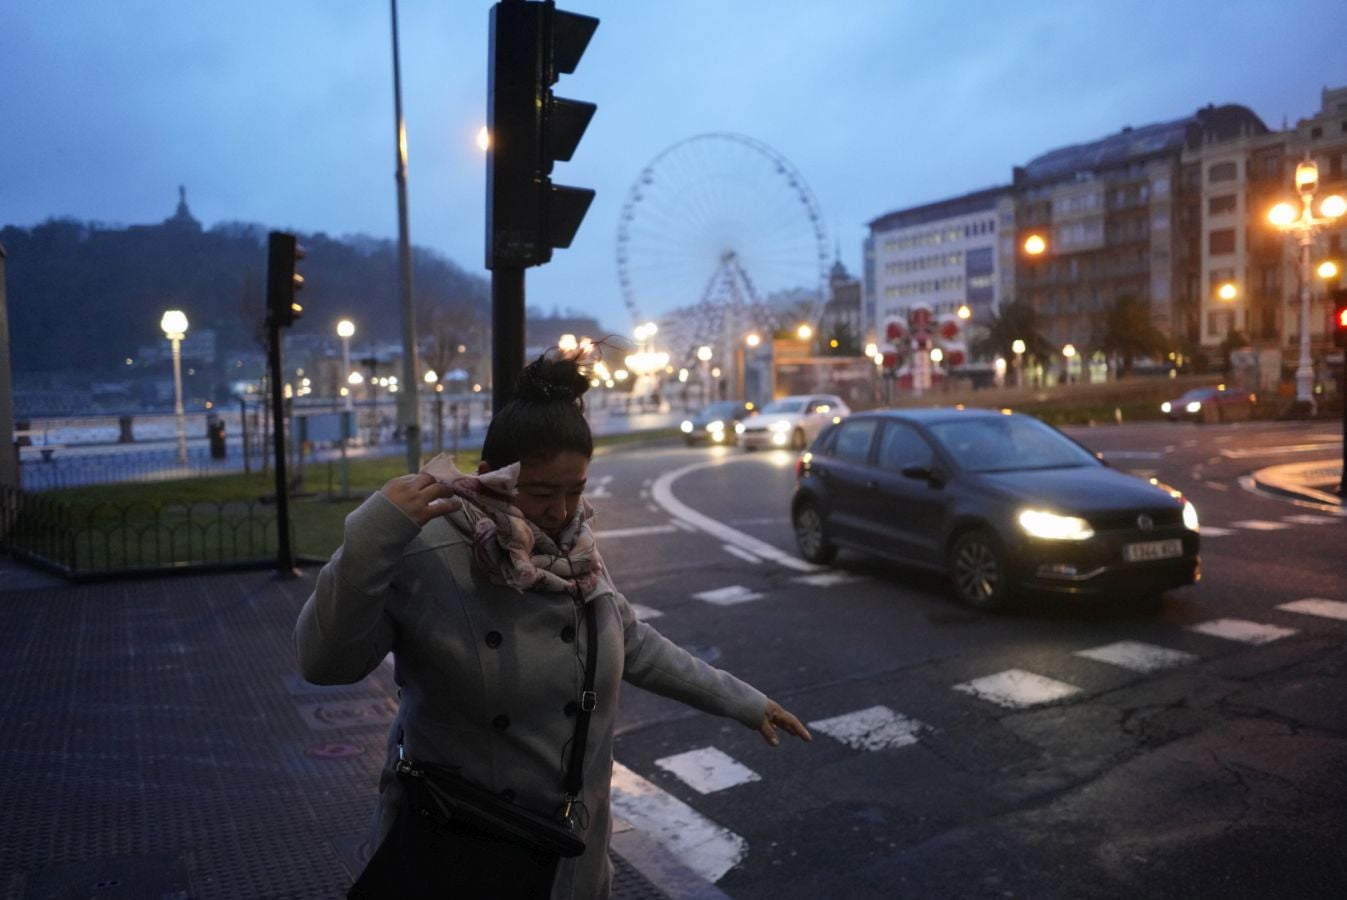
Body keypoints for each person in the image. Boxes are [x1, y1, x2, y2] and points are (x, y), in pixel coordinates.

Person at [295, 347, 811, 900]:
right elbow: (327, 663)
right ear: (491, 477)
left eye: (577, 489)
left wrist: (742, 701)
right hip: (460, 849)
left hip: (570, 854)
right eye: (542, 492)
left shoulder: (576, 553)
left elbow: (628, 640)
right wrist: (370, 536)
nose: (563, 511)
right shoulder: (423, 550)